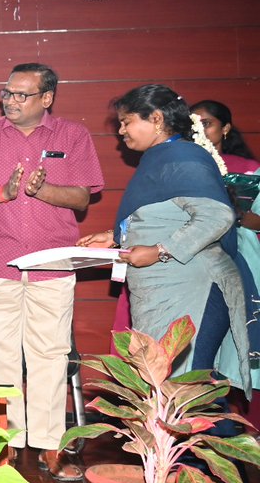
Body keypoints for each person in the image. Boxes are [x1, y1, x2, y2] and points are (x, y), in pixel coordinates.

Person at [0, 63, 103, 482]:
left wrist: (41, 190)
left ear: (46, 98)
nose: (10, 101)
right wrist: (4, 192)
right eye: (7, 93)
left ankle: (50, 446)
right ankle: (4, 445)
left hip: (52, 263)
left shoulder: (72, 136)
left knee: (50, 355)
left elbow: (82, 198)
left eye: (21, 94)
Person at [77, 85, 251, 388]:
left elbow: (216, 216)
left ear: (156, 119)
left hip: (191, 287)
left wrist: (160, 250)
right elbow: (164, 215)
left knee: (185, 390)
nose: (121, 131)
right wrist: (115, 236)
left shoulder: (183, 156)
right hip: (164, 289)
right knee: (163, 389)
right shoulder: (161, 157)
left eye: (126, 122)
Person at [190, 100, 258, 174]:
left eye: (205, 124)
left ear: (225, 128)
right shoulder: (182, 164)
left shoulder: (248, 168)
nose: (198, 129)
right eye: (193, 124)